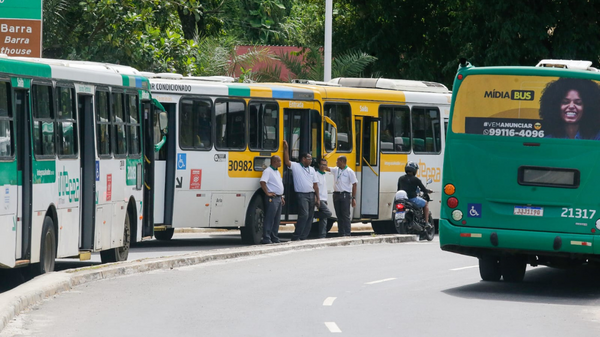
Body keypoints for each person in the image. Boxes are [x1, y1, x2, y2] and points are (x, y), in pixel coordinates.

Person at [283, 140, 320, 241]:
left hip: (311, 194)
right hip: (301, 195)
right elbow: (287, 162)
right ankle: (296, 236)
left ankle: (304, 236)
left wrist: (318, 198)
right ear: (303, 159)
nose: (311, 160)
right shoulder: (296, 166)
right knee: (304, 215)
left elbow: (315, 185)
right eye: (309, 159)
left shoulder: (312, 169)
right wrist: (286, 149)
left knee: (310, 217)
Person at [326, 156, 357, 237]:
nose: (336, 162)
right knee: (338, 215)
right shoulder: (336, 169)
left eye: (338, 161)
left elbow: (355, 184)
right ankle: (341, 232)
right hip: (336, 194)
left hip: (345, 195)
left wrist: (353, 198)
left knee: (345, 215)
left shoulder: (349, 171)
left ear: (342, 162)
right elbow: (327, 169)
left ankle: (347, 232)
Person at [259, 155, 285, 244]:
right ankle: (266, 237)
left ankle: (274, 237)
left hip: (278, 197)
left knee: (277, 219)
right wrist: (267, 193)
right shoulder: (268, 171)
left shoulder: (277, 172)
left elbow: (278, 185)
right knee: (270, 218)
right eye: (279, 161)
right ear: (274, 162)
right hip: (272, 198)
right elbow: (262, 182)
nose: (281, 163)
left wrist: (281, 197)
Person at [314, 158, 333, 238]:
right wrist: (317, 199)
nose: (323, 166)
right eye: (322, 164)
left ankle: (322, 236)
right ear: (319, 165)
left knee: (324, 219)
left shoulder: (325, 175)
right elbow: (315, 187)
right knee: (328, 213)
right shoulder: (316, 174)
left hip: (324, 199)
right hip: (319, 199)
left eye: (325, 165)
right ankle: (311, 215)